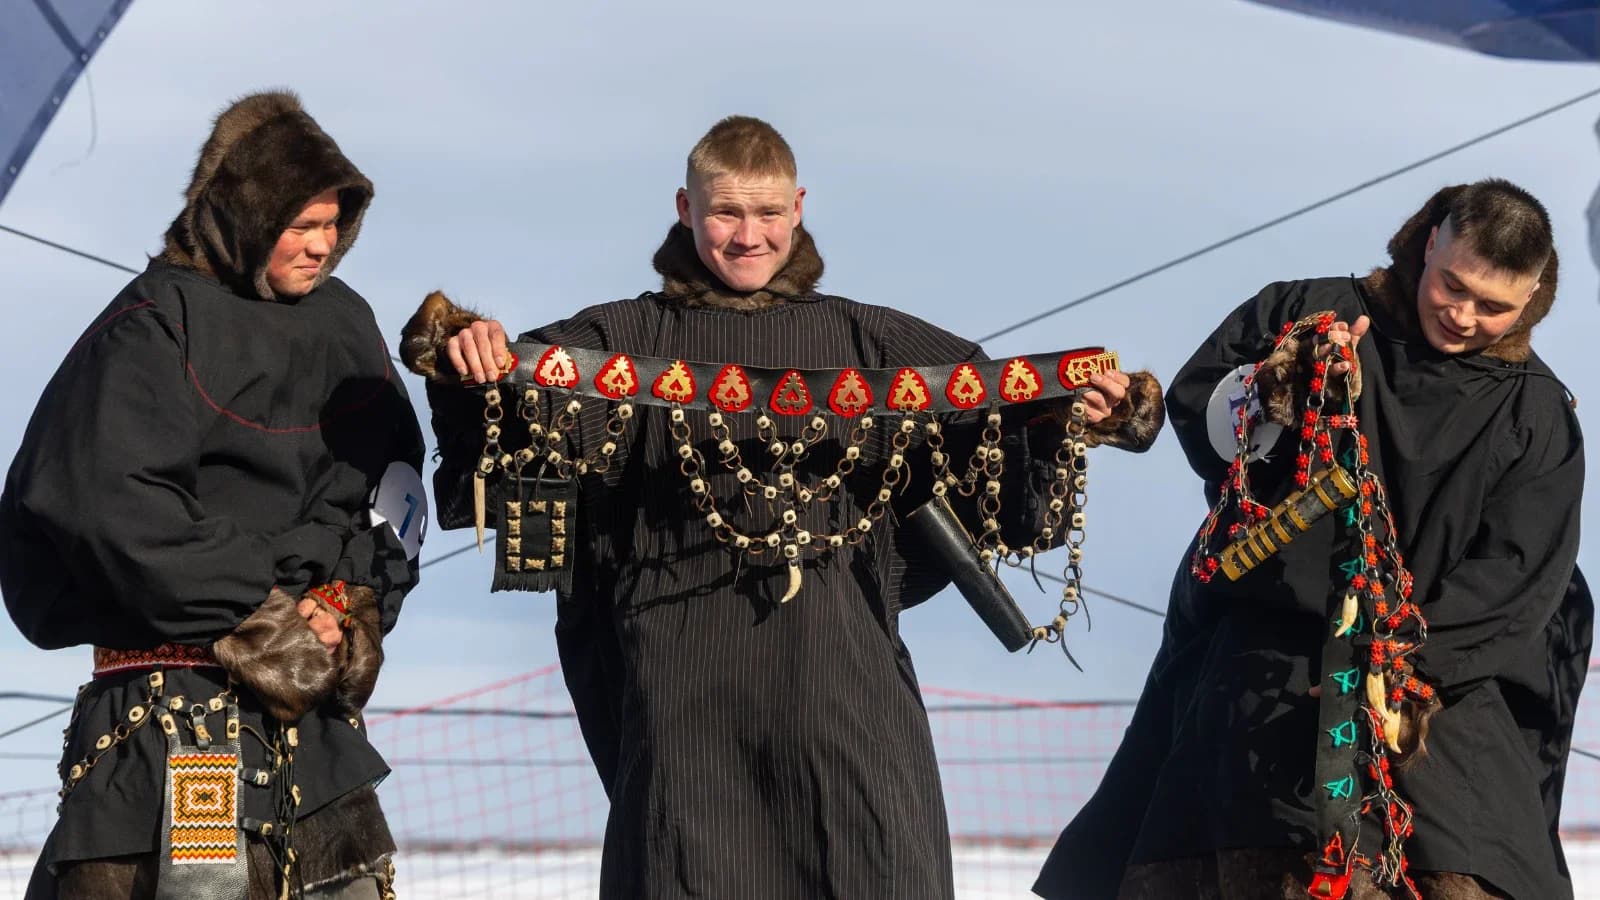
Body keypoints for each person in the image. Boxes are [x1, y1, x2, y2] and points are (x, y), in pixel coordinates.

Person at [400, 114, 1165, 899]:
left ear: (798, 207)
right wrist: (466, 349)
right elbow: (502, 409)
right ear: (684, 207)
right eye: (726, 211)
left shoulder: (871, 341)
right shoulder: (624, 336)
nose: (747, 235)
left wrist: (1077, 412)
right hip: (684, 709)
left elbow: (996, 422)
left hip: (850, 706)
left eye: (767, 213)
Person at [1034, 179, 1588, 900]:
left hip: (1433, 700)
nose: (1463, 314)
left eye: (1493, 306)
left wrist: (1401, 670)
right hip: (1258, 672)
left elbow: (1520, 582)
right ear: (1430, 245)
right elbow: (1202, 415)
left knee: (1475, 864)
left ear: (1532, 298)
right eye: (1453, 286)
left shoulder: (1536, 411)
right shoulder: (1305, 313)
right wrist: (1274, 387)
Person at [0, 91, 426, 900]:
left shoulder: (345, 324)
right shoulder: (152, 328)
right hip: (178, 722)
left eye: (333, 224)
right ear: (243, 215)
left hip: (317, 730)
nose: (322, 245)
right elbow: (105, 502)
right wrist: (259, 614)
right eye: (301, 226)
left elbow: (393, 490)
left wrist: (351, 599)